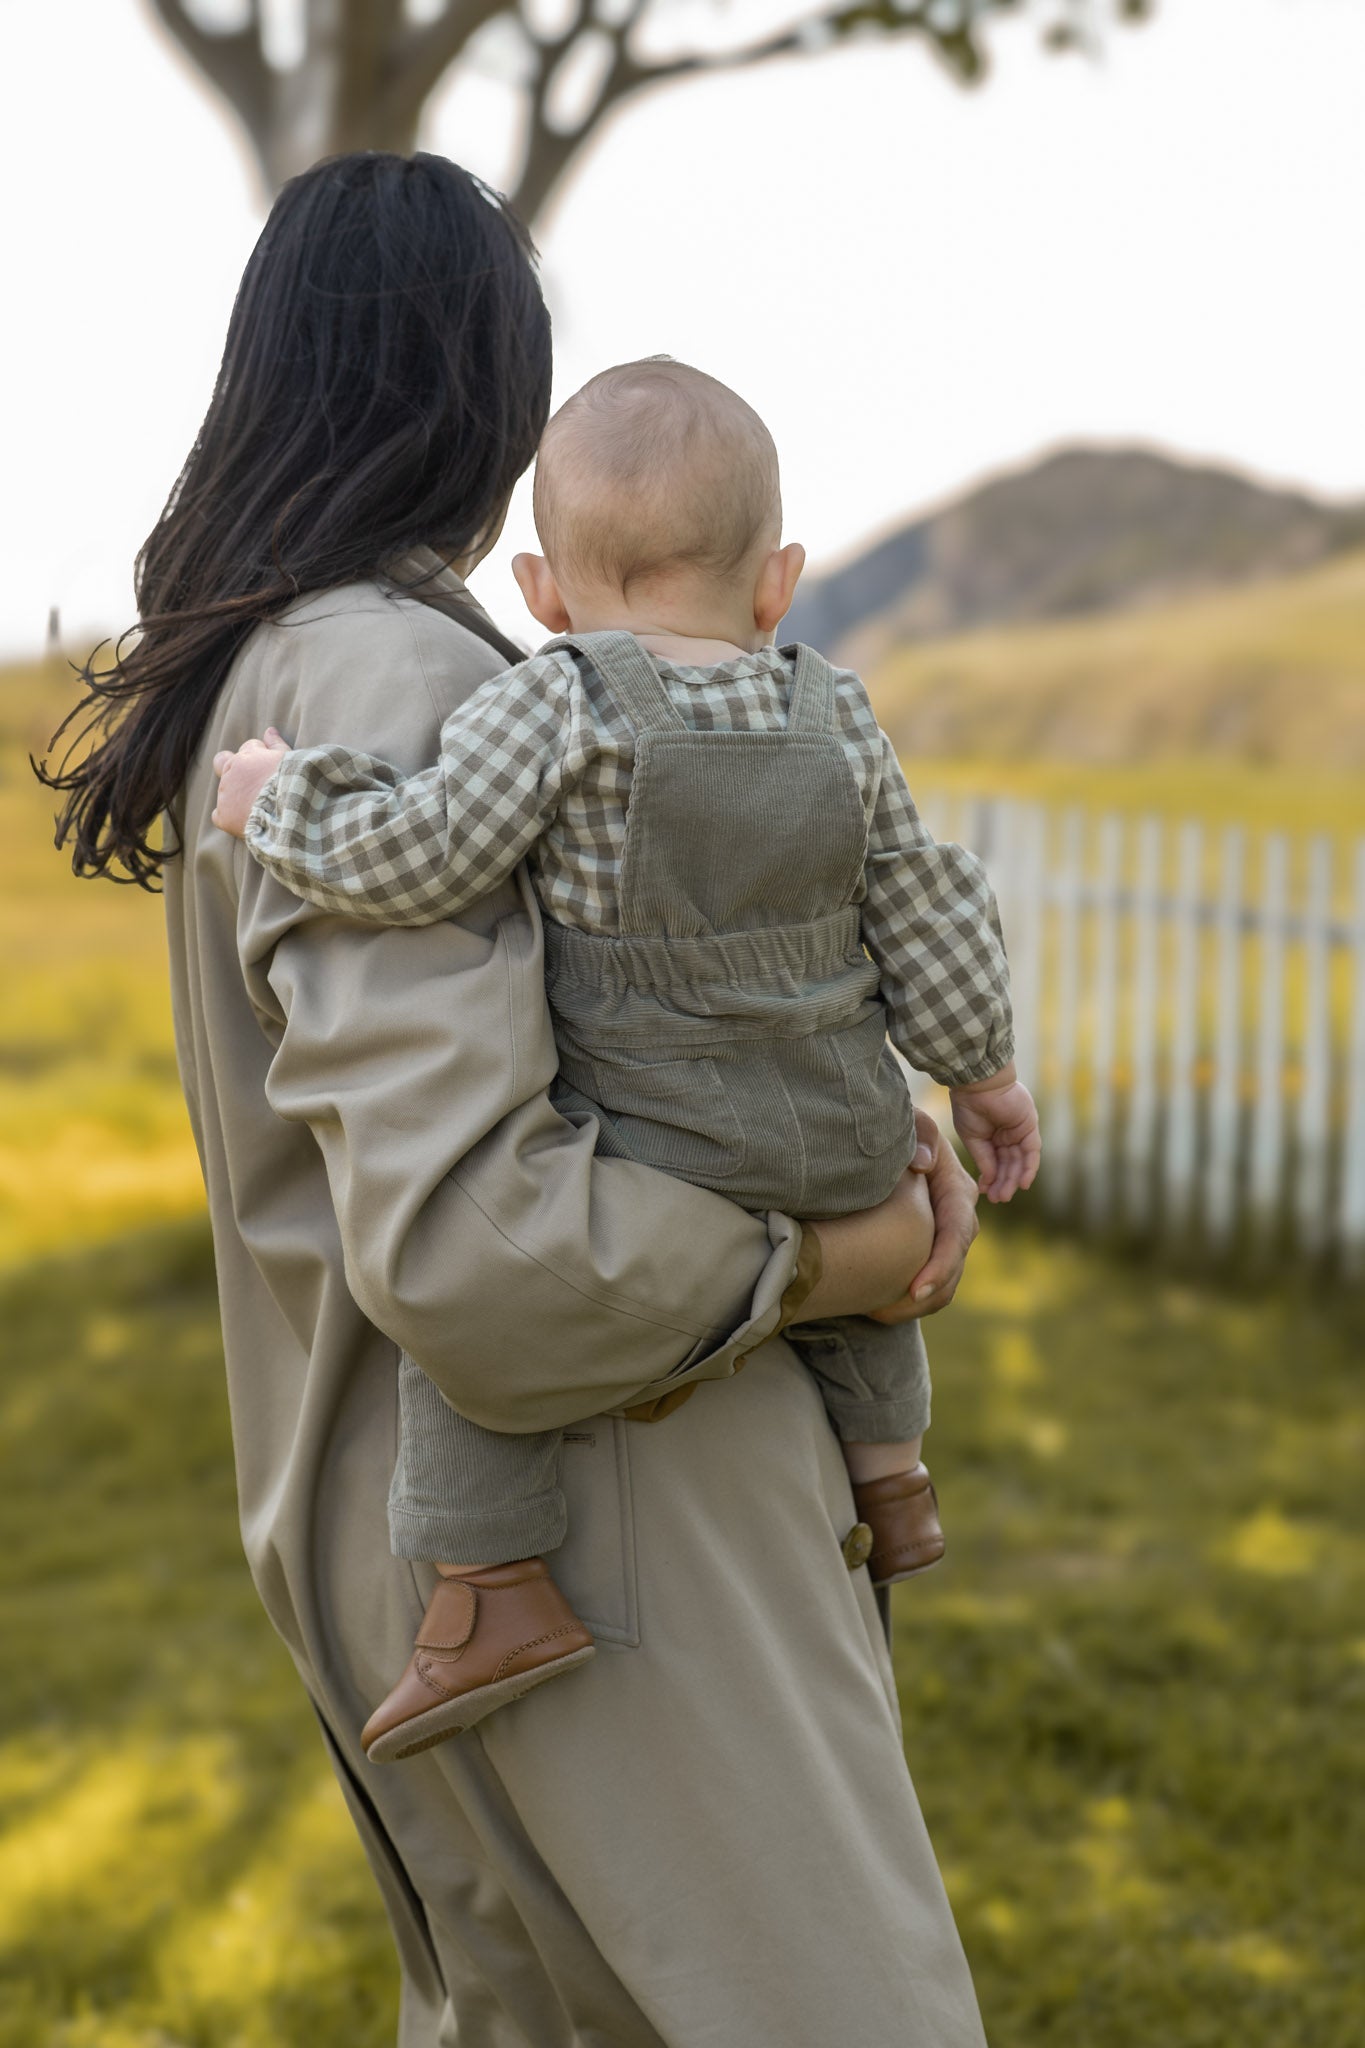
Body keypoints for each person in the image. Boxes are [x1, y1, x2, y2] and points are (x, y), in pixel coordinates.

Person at [41, 151, 989, 2046]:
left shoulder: (285, 674)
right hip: (602, 1510)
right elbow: (485, 1250)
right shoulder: (385, 674)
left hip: (472, 1519)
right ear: (482, 391)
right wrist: (844, 1246)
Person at [211, 356, 1041, 1764]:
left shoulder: (562, 698)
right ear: (776, 582)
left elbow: (418, 859)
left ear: (539, 594)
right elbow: (924, 897)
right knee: (864, 1274)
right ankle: (892, 1480)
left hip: (660, 1132)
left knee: (462, 1317)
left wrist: (273, 800)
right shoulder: (833, 711)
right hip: (840, 1120)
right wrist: (979, 1077)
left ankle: (487, 1588)